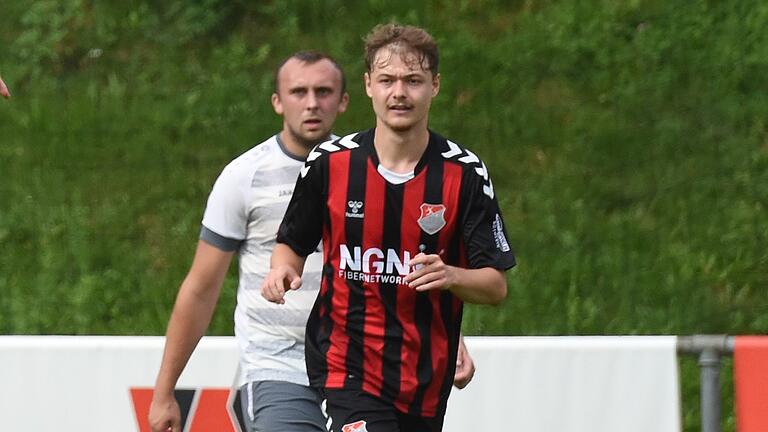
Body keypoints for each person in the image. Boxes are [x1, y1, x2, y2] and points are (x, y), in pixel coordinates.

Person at [149, 50, 475, 432]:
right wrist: (163, 390)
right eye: (298, 92)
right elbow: (201, 288)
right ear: (277, 102)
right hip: (280, 365)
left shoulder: (374, 170)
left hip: (364, 369)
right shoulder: (244, 177)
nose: (311, 103)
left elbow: (403, 269)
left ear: (344, 101)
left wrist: (452, 340)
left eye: (323, 92)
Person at [262, 24, 514, 432]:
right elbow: (291, 243)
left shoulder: (464, 174)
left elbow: (495, 285)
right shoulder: (329, 163)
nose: (399, 92)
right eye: (387, 80)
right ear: (368, 86)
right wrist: (281, 270)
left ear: (434, 85)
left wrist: (450, 276)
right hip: (345, 366)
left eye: (413, 80)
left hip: (425, 379)